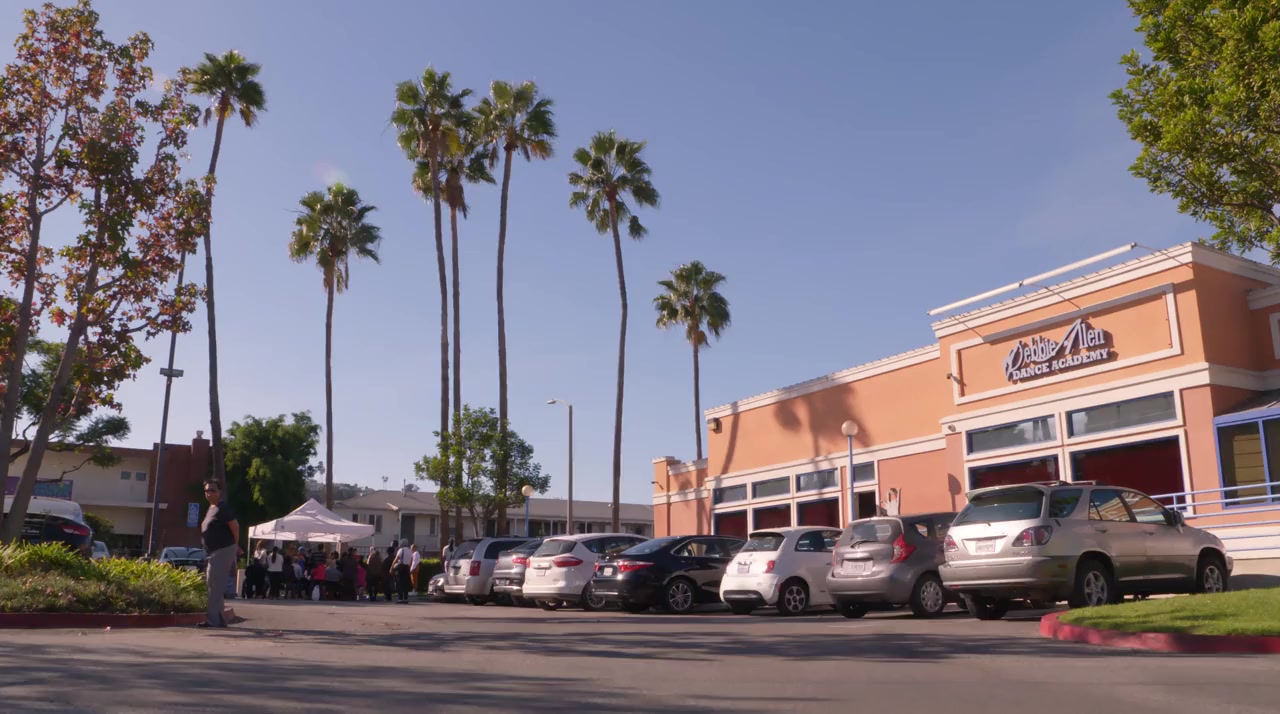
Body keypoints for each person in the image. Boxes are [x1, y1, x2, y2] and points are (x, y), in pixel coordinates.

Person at [199, 480, 239, 628]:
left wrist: (235, 546)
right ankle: (220, 619)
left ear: (219, 492)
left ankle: (213, 620)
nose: (209, 493)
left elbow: (235, 526)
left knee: (214, 586)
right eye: (206, 491)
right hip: (212, 551)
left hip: (222, 550)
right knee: (213, 585)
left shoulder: (223, 508)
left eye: (212, 490)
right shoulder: (211, 508)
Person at [391, 538, 413, 604]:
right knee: (405, 583)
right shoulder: (410, 551)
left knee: (399, 583)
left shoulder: (401, 550)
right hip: (407, 568)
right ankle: (405, 598)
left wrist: (391, 567)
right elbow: (411, 560)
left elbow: (396, 559)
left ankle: (400, 598)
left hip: (401, 568)